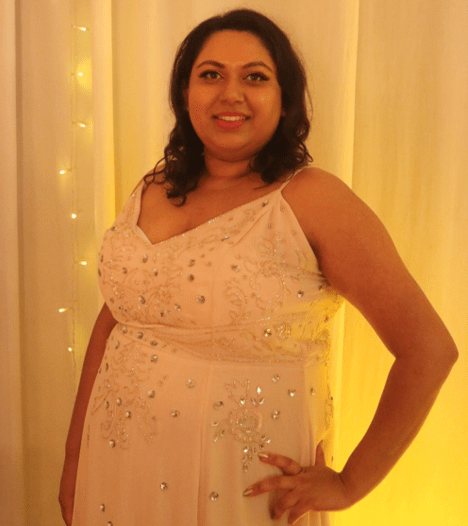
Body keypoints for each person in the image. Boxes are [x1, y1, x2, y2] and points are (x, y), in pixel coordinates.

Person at [59, 8, 458, 526]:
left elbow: (428, 348)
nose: (231, 93)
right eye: (211, 74)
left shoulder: (313, 199)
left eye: (254, 77)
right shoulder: (153, 188)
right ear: (185, 93)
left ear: (284, 98)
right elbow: (117, 318)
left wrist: (350, 484)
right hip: (117, 468)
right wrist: (76, 457)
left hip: (238, 484)